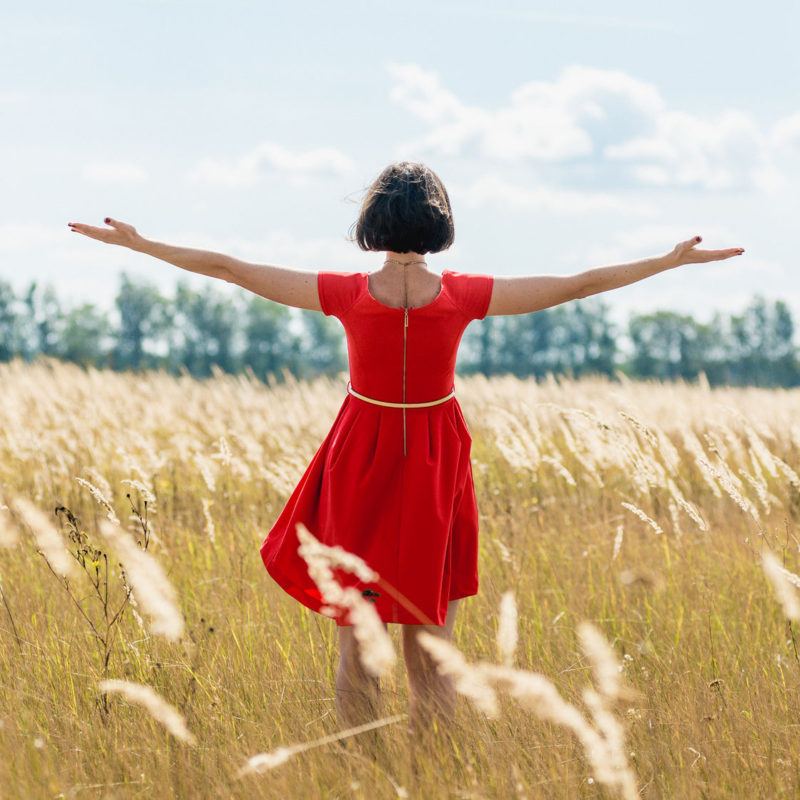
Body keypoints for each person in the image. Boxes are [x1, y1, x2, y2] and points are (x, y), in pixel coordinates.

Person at [67, 160, 744, 737]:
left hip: (360, 453)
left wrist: (140, 245)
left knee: (358, 641)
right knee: (432, 644)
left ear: (372, 222)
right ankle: (432, 777)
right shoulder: (461, 296)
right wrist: (667, 261)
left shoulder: (347, 293)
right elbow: (578, 285)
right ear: (439, 223)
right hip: (431, 459)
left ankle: (365, 774)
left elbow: (229, 268)